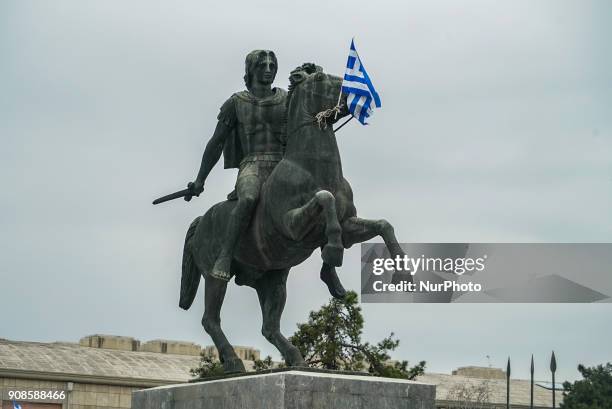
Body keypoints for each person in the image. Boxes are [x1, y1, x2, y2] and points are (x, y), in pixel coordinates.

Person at [189, 51, 346, 298]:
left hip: (284, 165)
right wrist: (200, 180)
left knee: (325, 195)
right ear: (251, 70)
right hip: (253, 164)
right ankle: (225, 256)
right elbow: (216, 143)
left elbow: (316, 105)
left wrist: (314, 75)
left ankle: (328, 265)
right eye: (262, 65)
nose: (269, 69)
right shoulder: (236, 102)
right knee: (249, 198)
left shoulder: (286, 98)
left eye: (272, 65)